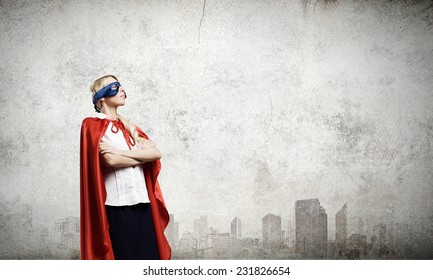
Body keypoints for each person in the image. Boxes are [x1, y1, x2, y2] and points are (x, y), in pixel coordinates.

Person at [79, 74, 171, 260]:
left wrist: (119, 152)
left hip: (142, 202)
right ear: (101, 97)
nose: (121, 89)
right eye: (114, 86)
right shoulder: (92, 125)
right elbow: (110, 162)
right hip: (118, 206)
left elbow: (155, 154)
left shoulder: (128, 128)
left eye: (120, 85)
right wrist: (140, 157)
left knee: (149, 259)